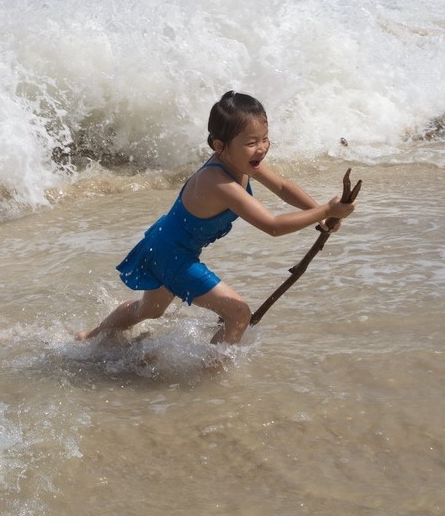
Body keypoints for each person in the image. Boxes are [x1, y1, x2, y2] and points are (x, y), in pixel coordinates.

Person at [76, 91, 356, 346]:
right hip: (171, 255)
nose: (261, 148)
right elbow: (272, 226)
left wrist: (319, 212)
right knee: (238, 313)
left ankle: (90, 337)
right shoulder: (216, 180)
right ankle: (210, 378)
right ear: (220, 145)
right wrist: (326, 211)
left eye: (265, 138)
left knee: (149, 310)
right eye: (251, 142)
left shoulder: (241, 161)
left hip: (162, 244)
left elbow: (282, 188)